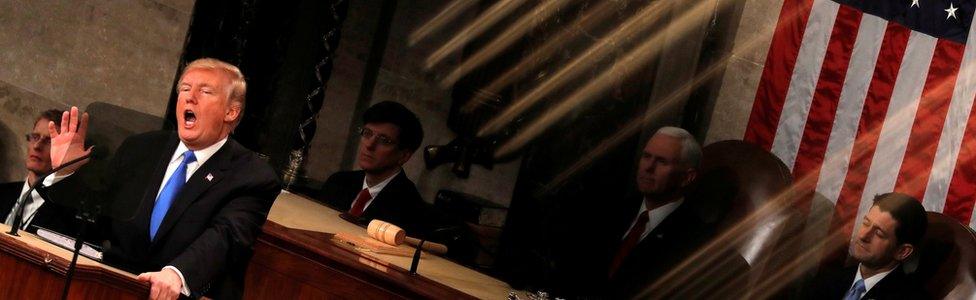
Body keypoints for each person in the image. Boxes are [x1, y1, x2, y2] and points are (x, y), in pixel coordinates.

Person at [43, 58, 281, 300]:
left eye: (206, 91)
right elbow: (93, 218)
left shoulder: (252, 175)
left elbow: (226, 237)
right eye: (185, 89)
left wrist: (177, 274)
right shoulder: (141, 148)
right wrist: (65, 172)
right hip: (111, 291)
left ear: (231, 112)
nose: (190, 97)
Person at [607, 126, 747, 298]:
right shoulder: (609, 211)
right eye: (646, 156)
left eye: (662, 161)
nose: (648, 167)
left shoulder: (698, 244)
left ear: (687, 177)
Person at [318, 101, 433, 235]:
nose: (370, 145)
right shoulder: (338, 181)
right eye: (367, 133)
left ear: (404, 156)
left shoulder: (412, 209)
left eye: (384, 140)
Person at [807, 193, 929, 299]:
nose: (863, 236)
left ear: (902, 251)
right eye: (866, 223)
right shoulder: (827, 280)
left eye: (879, 233)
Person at [0, 109, 78, 234]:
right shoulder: (3, 192)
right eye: (35, 137)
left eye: (49, 141)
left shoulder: (69, 217)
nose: (37, 146)